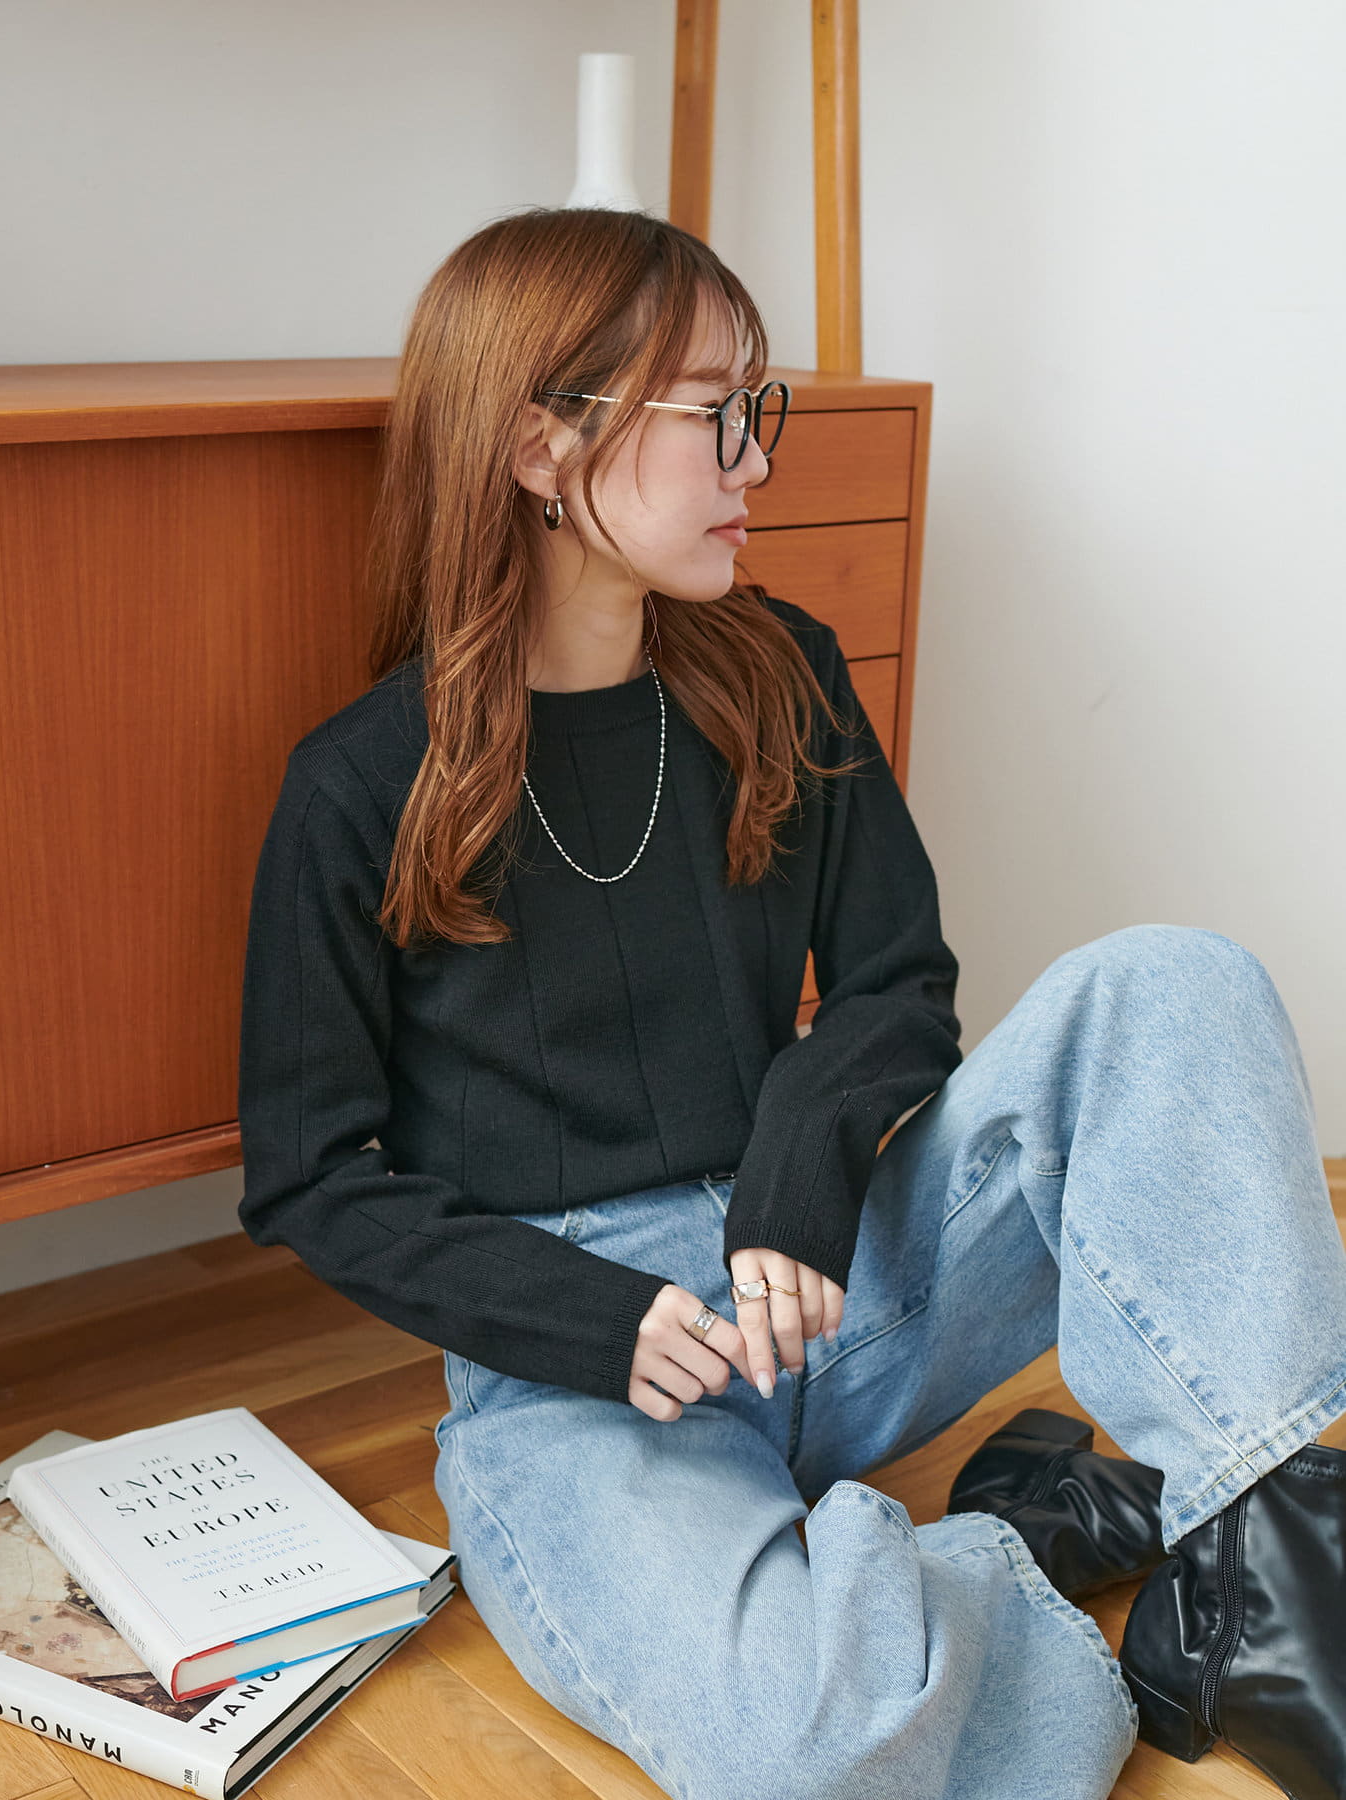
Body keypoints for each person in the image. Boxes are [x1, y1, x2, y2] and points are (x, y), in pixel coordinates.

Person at [236, 206, 1346, 1800]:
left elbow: (898, 983)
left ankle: (1258, 1574)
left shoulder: (780, 673)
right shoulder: (357, 787)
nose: (755, 461)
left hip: (830, 1283)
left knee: (1174, 984)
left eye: (760, 410)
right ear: (544, 447)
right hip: (587, 1381)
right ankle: (1016, 1542)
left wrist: (797, 1195)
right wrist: (594, 1319)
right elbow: (309, 1174)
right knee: (804, 1749)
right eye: (716, 414)